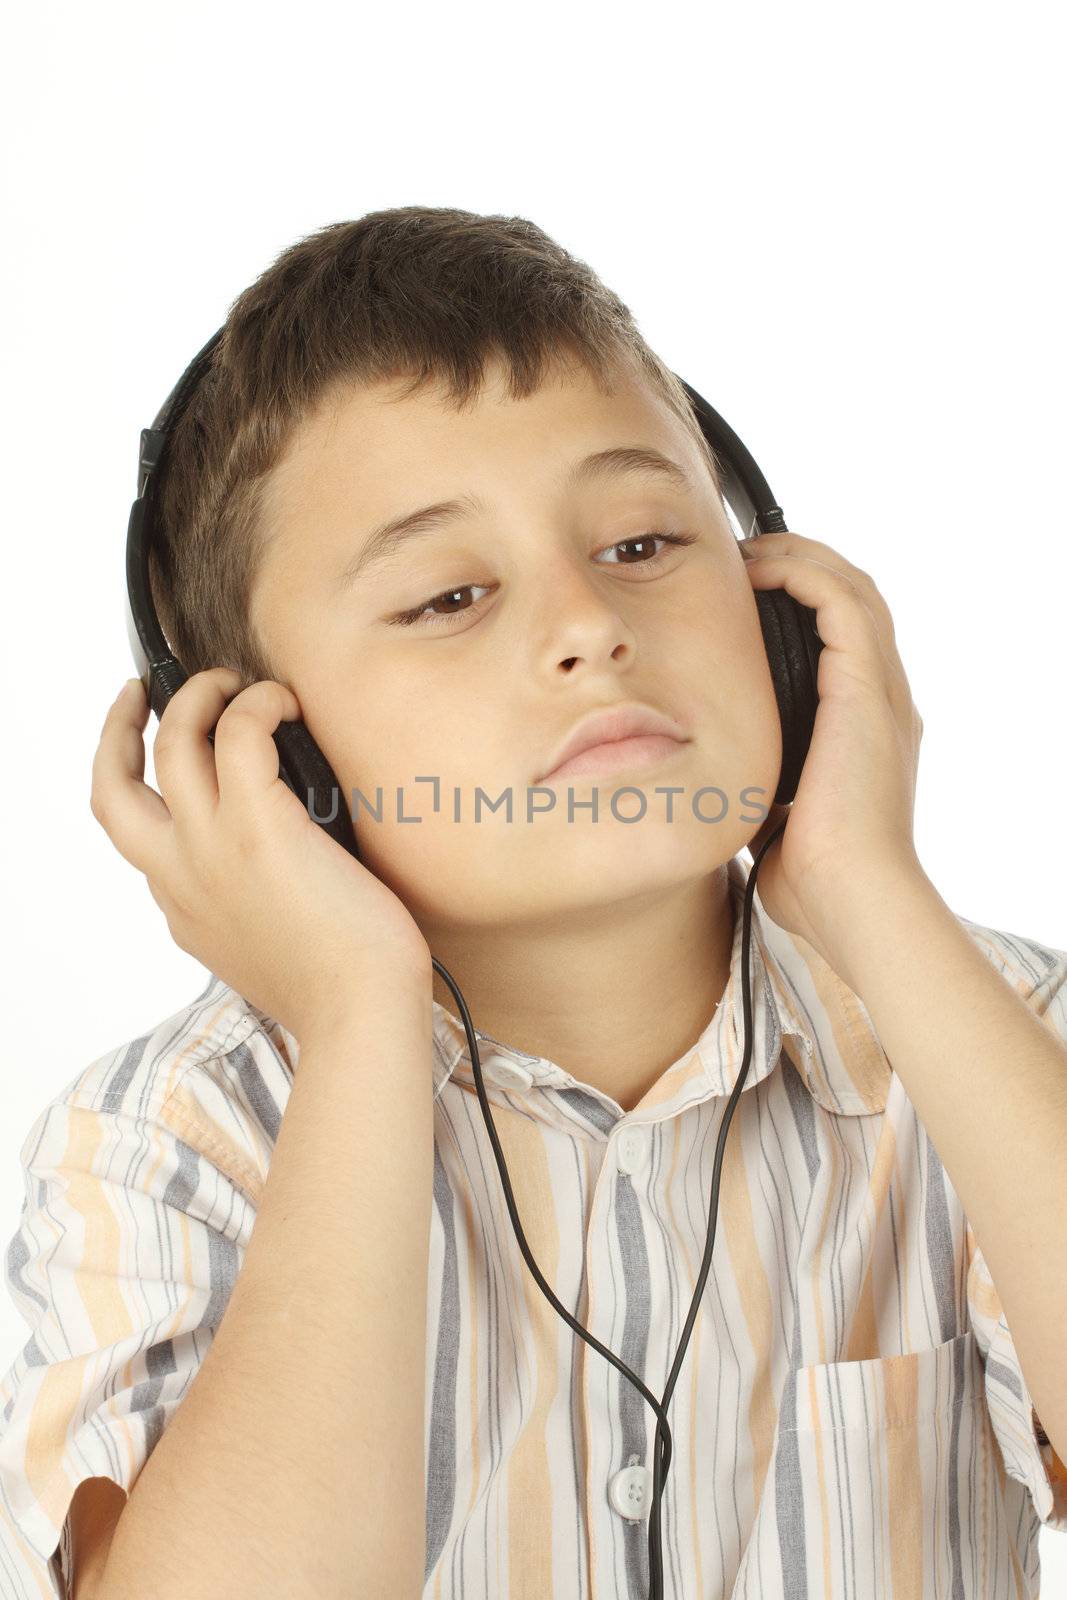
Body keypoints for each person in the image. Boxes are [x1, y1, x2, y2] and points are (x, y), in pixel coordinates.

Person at [1, 206, 1065, 1600]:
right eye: (449, 595)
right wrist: (360, 1015)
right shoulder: (164, 1144)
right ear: (272, 752)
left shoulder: (989, 1036)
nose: (586, 625)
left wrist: (871, 885)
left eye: (640, 543)